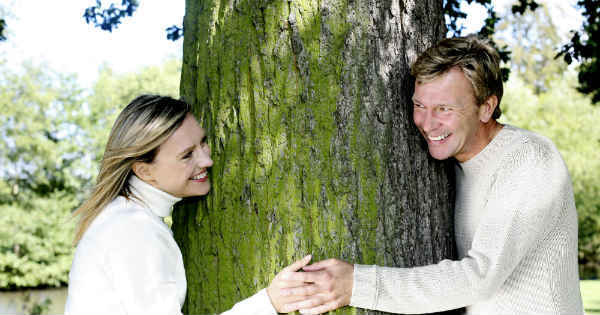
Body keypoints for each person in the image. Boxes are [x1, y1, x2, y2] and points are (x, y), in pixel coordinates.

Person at [278, 36, 584, 314]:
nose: (426, 123)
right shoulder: (456, 162)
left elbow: (481, 277)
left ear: (486, 108)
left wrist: (357, 284)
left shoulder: (529, 158)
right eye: (419, 105)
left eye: (444, 109)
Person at [65, 95, 312, 315]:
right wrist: (269, 303)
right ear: (144, 171)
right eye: (187, 155)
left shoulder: (124, 218)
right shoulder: (135, 230)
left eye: (202, 142)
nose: (207, 160)